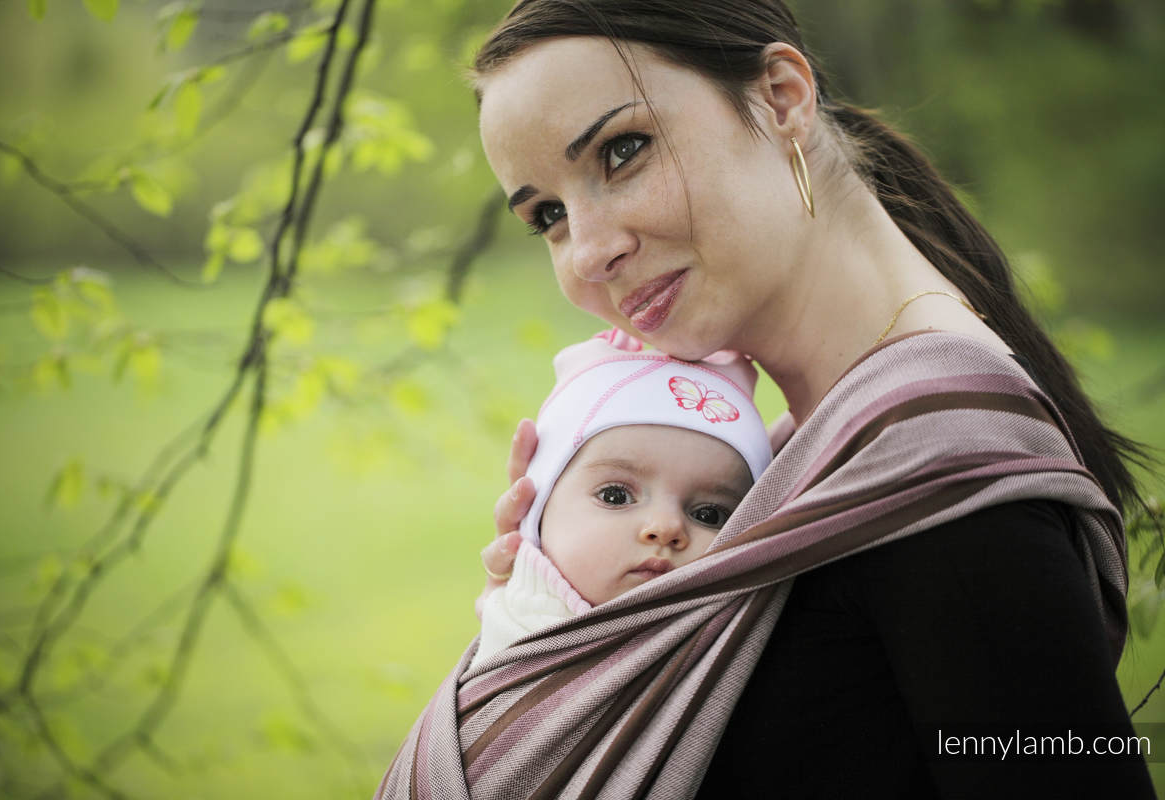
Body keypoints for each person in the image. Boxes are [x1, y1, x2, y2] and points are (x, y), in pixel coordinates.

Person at [378, 2, 1156, 798]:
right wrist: (551, 622)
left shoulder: (944, 484)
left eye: (623, 151)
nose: (590, 251)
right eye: (547, 214)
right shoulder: (801, 466)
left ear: (782, 96)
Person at [470, 332, 772, 667]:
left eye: (709, 515)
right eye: (615, 496)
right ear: (536, 511)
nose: (666, 527)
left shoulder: (733, 650)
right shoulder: (515, 627)